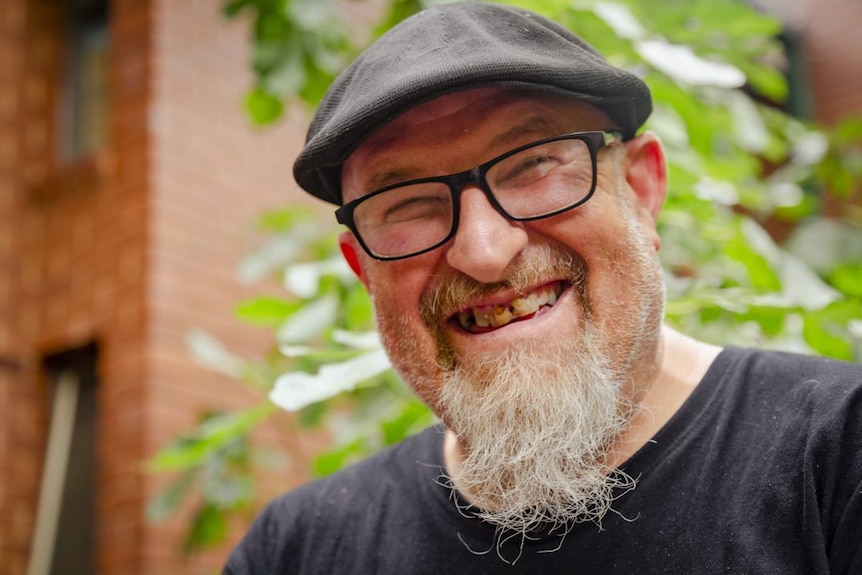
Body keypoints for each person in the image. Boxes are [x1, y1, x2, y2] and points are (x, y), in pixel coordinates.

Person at [224, 3, 862, 573]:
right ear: (364, 269)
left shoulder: (839, 457)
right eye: (408, 203)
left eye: (533, 163)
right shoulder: (296, 548)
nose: (483, 251)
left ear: (641, 191)